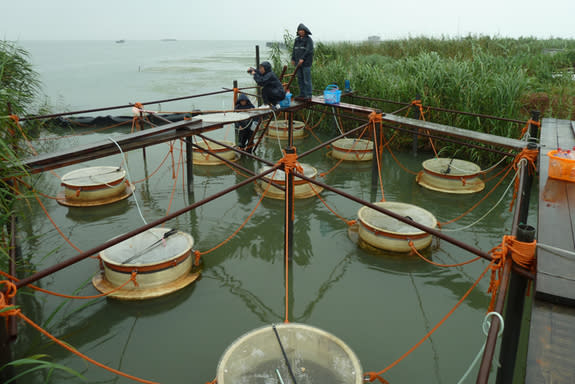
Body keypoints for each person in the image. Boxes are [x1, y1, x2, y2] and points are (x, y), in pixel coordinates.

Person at [291, 23, 314, 100]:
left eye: (302, 30)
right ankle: (302, 94)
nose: (300, 31)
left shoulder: (308, 40)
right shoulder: (296, 40)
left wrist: (302, 59)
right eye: (299, 30)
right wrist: (293, 59)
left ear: (305, 31)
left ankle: (309, 94)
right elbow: (294, 49)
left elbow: (308, 50)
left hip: (306, 63)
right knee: (300, 79)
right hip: (298, 63)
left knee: (306, 79)